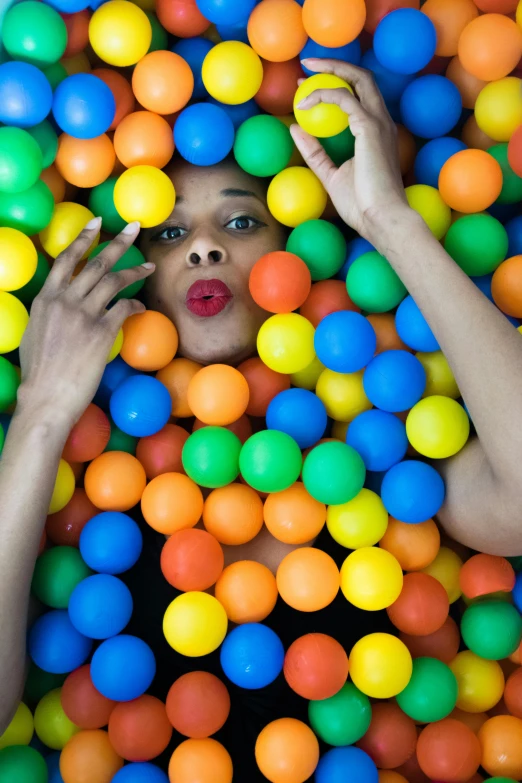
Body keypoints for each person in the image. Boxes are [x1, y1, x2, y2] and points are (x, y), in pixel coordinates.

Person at [1, 58, 522, 772]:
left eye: (240, 220)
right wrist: (40, 412)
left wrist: (390, 223)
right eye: (168, 235)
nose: (206, 246)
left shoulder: (380, 448)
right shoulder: (77, 481)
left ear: (298, 246)